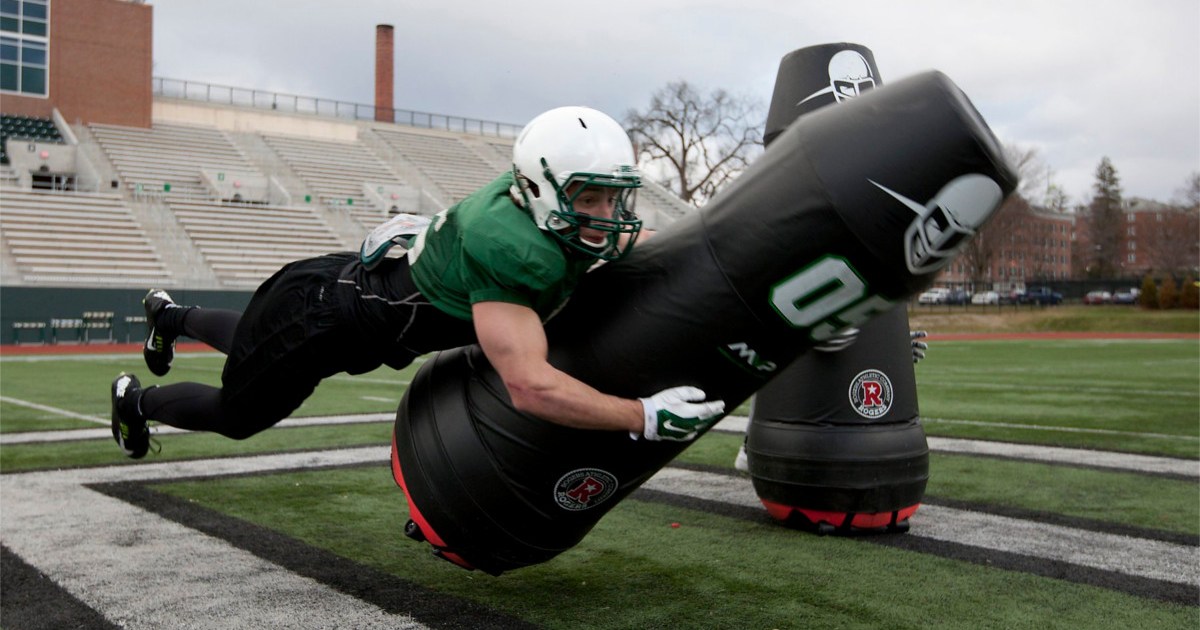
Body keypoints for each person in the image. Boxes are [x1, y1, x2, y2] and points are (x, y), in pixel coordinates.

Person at [111, 106, 725, 459]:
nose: (606, 215)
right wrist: (639, 415)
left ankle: (169, 317)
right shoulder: (514, 252)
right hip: (323, 320)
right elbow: (532, 388)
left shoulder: (535, 203)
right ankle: (133, 403)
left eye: (611, 198)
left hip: (339, 291)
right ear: (542, 190)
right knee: (237, 412)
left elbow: (622, 240)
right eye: (590, 199)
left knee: (252, 338)